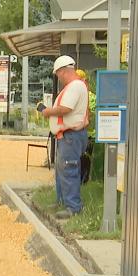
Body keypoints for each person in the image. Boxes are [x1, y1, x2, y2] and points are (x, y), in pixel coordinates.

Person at [38, 56, 89, 219]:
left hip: (71, 135)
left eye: (58, 74)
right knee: (62, 170)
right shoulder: (76, 86)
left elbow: (65, 109)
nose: (58, 78)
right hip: (67, 135)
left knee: (68, 169)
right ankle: (63, 202)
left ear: (64, 71)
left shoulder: (74, 87)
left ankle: (73, 207)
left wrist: (47, 112)